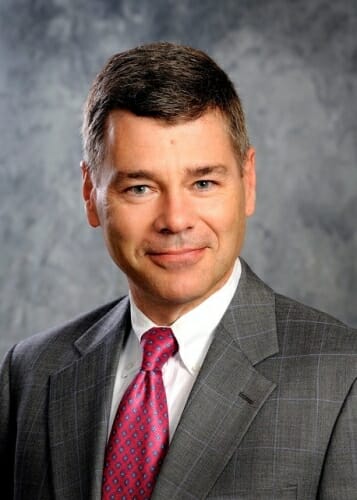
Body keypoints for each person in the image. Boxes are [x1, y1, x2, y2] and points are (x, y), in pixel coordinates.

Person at [1, 42, 356, 500]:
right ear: (91, 193)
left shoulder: (343, 379)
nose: (176, 219)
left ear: (248, 181)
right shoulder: (28, 375)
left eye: (203, 183)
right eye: (141, 187)